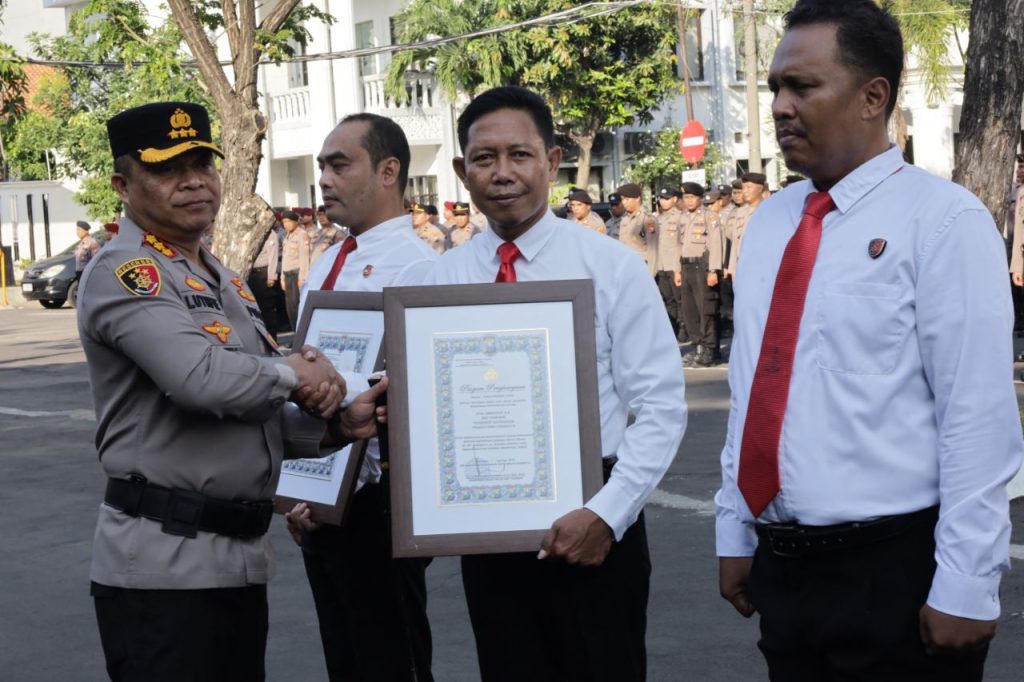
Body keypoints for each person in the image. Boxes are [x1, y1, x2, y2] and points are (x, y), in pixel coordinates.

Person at [715, 3, 1023, 681]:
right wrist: (735, 528)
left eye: (803, 87)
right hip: (784, 569)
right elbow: (752, 391)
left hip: (894, 570)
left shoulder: (942, 221)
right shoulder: (772, 223)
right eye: (776, 88)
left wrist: (967, 582)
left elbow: (976, 417)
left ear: (872, 96)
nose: (781, 107)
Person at [79, 101, 386, 682]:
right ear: (122, 185)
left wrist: (335, 427)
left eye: (202, 163)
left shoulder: (216, 276)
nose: (194, 180)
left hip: (236, 560)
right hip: (164, 568)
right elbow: (200, 380)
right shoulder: (128, 273)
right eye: (168, 169)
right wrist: (295, 373)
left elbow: (250, 412)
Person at [428, 85, 686, 682]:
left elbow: (661, 406)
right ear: (463, 171)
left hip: (596, 525)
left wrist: (608, 515)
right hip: (487, 531)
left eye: (519, 155)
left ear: (551, 161)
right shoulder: (439, 281)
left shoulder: (611, 267)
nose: (502, 173)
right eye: (484, 158)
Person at [286, 113, 438, 682]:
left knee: (390, 659)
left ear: (388, 171)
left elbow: (419, 392)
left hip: (380, 499)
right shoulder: (329, 260)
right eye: (322, 166)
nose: (324, 179)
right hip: (322, 495)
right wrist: (299, 491)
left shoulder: (422, 268)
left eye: (339, 165)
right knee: (344, 657)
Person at [674, 181, 723, 366]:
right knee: (690, 311)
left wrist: (713, 270)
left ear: (700, 198)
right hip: (686, 267)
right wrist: (677, 270)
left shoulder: (709, 216)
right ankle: (698, 346)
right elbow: (678, 245)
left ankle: (710, 349)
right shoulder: (682, 217)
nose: (688, 200)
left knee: (706, 310)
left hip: (702, 267)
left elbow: (716, 244)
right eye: (686, 197)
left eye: (692, 197)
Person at [653, 187, 686, 339]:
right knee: (668, 299)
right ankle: (673, 326)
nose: (663, 201)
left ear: (674, 199)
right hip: (661, 265)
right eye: (661, 198)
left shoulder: (681, 217)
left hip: (674, 265)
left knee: (680, 299)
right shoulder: (656, 219)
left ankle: (683, 327)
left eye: (667, 198)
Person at [247, 221, 285, 337]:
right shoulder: (252, 233)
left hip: (263, 273)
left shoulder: (270, 234)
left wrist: (271, 277)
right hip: (250, 273)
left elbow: (273, 257)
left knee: (266, 308)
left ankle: (271, 337)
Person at [279, 209, 310, 332]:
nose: (286, 224)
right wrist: (282, 277)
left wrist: (302, 278)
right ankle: (295, 333)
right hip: (287, 275)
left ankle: (301, 333)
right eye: (284, 222)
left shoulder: (301, 235)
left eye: (288, 221)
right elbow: (285, 258)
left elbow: (304, 257)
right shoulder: (287, 236)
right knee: (290, 308)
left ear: (295, 222)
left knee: (297, 306)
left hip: (296, 275)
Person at [616, 182, 657, 274]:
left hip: (642, 269)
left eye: (627, 199)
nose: (624, 202)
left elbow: (652, 251)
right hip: (626, 268)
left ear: (637, 198)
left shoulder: (647, 219)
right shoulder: (624, 219)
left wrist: (650, 275)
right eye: (622, 199)